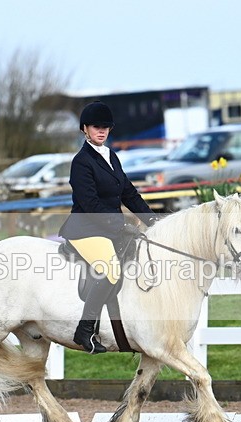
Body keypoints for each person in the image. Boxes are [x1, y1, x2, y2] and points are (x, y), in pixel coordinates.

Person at [58, 101, 157, 353]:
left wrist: (153, 220)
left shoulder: (111, 156)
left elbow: (128, 193)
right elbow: (89, 202)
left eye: (105, 127)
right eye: (96, 127)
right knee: (111, 269)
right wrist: (121, 223)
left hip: (109, 227)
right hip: (85, 229)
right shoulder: (81, 162)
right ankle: (85, 330)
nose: (101, 131)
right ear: (85, 129)